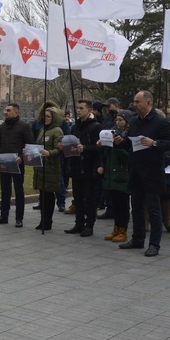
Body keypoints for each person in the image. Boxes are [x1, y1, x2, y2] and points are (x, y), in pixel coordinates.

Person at [113, 91, 170, 257]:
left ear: (148, 102)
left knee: (154, 209)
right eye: (134, 101)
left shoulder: (160, 121)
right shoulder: (134, 120)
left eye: (137, 101)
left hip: (152, 172)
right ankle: (137, 239)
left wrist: (154, 143)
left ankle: (154, 244)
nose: (134, 104)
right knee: (136, 207)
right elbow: (131, 142)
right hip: (135, 170)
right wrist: (121, 142)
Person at [0, 103, 34, 228]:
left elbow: (30, 145)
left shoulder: (24, 126)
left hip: (17, 164)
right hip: (4, 162)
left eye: (8, 110)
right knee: (5, 190)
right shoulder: (2, 127)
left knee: (19, 191)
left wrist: (21, 157)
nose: (5, 112)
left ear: (16, 112)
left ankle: (19, 218)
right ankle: (4, 216)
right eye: (5, 110)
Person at [62, 100, 102, 237]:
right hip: (76, 165)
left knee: (89, 198)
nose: (78, 110)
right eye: (77, 108)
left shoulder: (96, 126)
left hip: (89, 167)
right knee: (77, 197)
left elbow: (99, 147)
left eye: (81, 108)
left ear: (89, 110)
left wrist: (85, 148)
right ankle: (79, 223)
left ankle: (89, 225)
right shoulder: (75, 126)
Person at [99, 110, 133, 242]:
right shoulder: (113, 133)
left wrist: (118, 146)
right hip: (111, 174)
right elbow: (107, 155)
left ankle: (123, 230)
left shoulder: (127, 136)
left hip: (122, 175)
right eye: (117, 120)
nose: (118, 123)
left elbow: (128, 157)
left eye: (121, 120)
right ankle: (116, 228)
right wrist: (102, 146)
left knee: (123, 204)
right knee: (115, 204)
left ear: (127, 122)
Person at [30, 107, 63, 231]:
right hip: (40, 166)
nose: (46, 118)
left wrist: (49, 152)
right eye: (45, 116)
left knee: (48, 195)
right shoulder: (42, 130)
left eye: (48, 116)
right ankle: (42, 219)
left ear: (54, 118)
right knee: (42, 194)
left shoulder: (57, 131)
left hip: (51, 167)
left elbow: (59, 149)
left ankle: (48, 221)